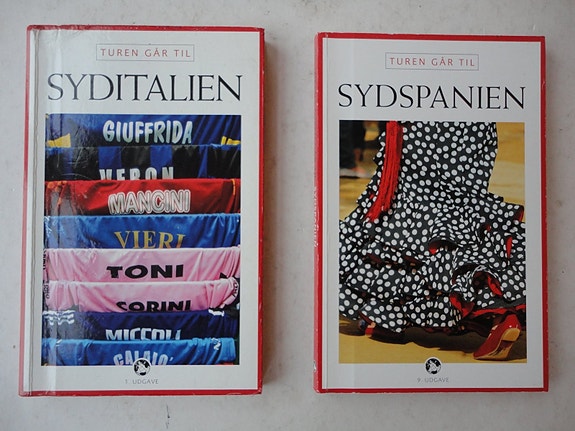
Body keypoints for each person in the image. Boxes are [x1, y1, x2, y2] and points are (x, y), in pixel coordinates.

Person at [339, 121, 525, 360]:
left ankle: (389, 312)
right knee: (459, 212)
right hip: (473, 121)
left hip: (425, 119)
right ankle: (503, 314)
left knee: (411, 209)